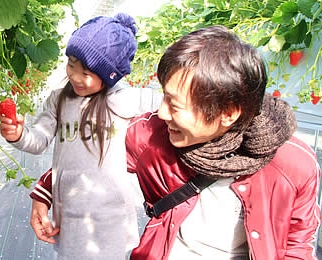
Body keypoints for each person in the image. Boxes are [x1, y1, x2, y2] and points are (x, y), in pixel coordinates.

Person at [125, 25, 321, 259]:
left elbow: (297, 246)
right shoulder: (149, 136)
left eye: (175, 105)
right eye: (164, 97)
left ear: (228, 113)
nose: (163, 113)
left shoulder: (292, 166)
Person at [0, 13, 142, 259]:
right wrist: (19, 134)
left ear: (110, 76)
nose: (75, 76)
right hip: (71, 213)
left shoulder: (121, 102)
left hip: (112, 217)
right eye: (71, 64)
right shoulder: (59, 99)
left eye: (86, 72)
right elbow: (39, 140)